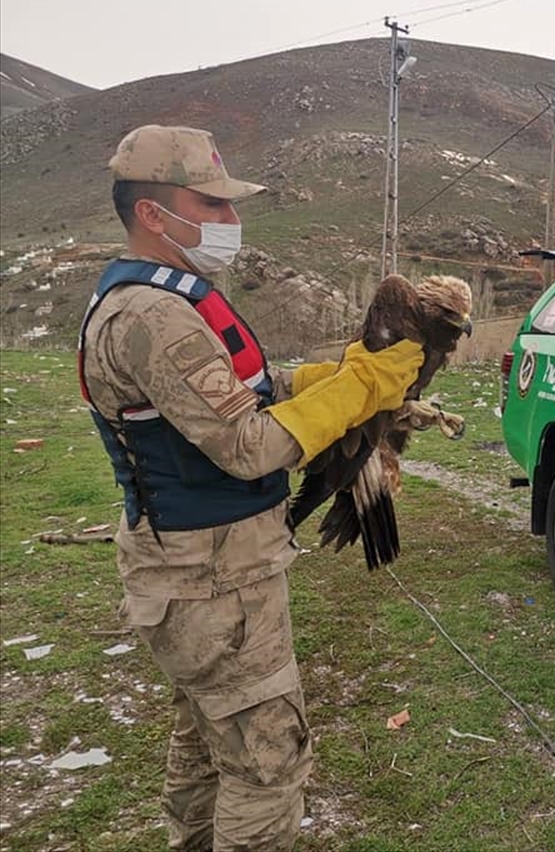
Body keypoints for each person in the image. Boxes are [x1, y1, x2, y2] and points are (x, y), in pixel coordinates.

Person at [78, 124, 425, 851]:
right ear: (152, 213)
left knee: (207, 740)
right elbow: (246, 446)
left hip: (199, 575)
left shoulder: (161, 297)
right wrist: (362, 384)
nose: (230, 221)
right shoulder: (153, 315)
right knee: (267, 763)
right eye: (211, 204)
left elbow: (244, 395)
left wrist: (330, 378)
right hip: (211, 583)